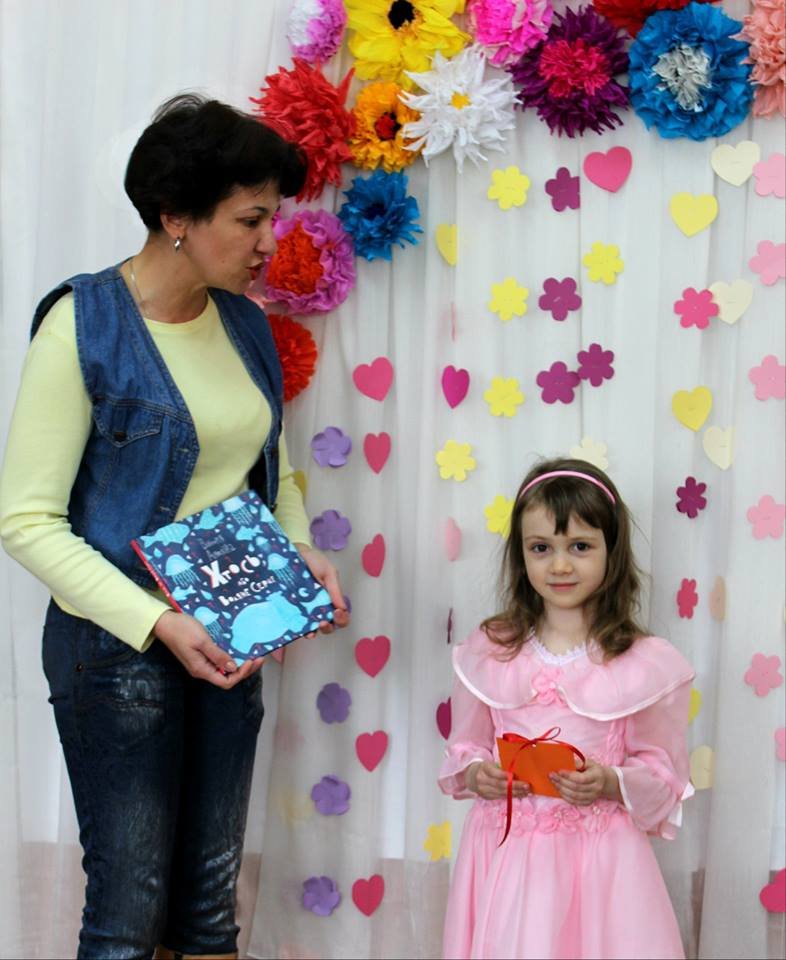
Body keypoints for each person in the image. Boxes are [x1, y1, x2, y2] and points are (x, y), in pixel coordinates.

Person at [0, 93, 349, 960]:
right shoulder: (82, 325)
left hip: (230, 639)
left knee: (207, 909)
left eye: (273, 218)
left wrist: (300, 550)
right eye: (251, 219)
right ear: (176, 217)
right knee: (128, 914)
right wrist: (159, 621)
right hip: (115, 653)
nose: (269, 242)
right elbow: (26, 521)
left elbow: (272, 471)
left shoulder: (246, 324)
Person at [439, 458, 694, 960]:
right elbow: (464, 747)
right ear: (521, 556)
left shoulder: (641, 662)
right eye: (541, 548)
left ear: (611, 551)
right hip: (507, 857)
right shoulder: (491, 649)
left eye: (580, 546)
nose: (559, 566)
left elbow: (664, 772)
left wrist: (610, 781)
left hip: (599, 862)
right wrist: (476, 774)